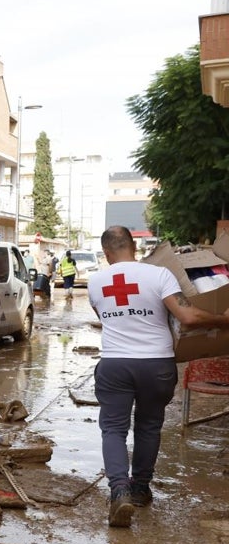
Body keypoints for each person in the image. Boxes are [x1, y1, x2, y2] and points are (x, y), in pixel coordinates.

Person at [88, 226, 229, 527]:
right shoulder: (158, 274)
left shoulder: (95, 282)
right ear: (133, 248)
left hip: (115, 364)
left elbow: (105, 319)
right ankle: (140, 489)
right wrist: (222, 320)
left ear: (106, 253)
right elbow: (188, 318)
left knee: (113, 429)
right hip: (156, 365)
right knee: (149, 426)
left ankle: (119, 492)